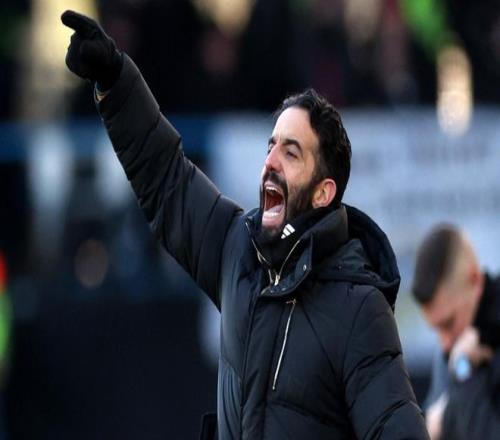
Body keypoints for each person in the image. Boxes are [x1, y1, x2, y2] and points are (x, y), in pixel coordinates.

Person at [61, 10, 429, 439]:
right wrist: (116, 81)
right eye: (271, 146)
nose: (271, 162)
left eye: (291, 153)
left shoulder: (359, 310)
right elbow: (166, 177)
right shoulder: (238, 248)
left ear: (323, 192)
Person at [412, 224, 500, 439]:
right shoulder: (452, 350)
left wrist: (464, 370)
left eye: (449, 323)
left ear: (475, 280)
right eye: (436, 329)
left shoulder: (463, 354)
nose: (445, 343)